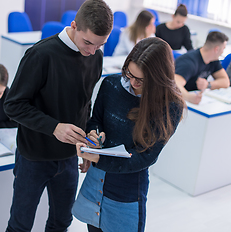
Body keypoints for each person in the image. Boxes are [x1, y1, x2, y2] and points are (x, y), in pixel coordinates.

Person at [3, 0, 113, 232]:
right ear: (74, 26)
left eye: (99, 45)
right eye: (88, 42)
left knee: (62, 222)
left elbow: (84, 104)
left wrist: (87, 148)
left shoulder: (96, 58)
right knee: (20, 225)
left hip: (69, 158)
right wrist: (54, 127)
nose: (92, 51)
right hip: (33, 157)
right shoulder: (41, 55)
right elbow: (13, 105)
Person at [72, 37, 185, 232]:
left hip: (127, 188)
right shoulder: (112, 84)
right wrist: (94, 135)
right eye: (128, 73)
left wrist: (98, 157)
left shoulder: (170, 107)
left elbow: (145, 157)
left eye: (140, 80)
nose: (132, 82)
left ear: (158, 78)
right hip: (96, 177)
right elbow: (96, 120)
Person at [175, 31, 230, 105]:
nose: (222, 52)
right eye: (223, 48)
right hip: (180, 101)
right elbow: (175, 85)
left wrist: (208, 84)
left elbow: (225, 82)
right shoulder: (189, 62)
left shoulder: (213, 60)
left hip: (195, 101)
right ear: (216, 49)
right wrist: (189, 97)